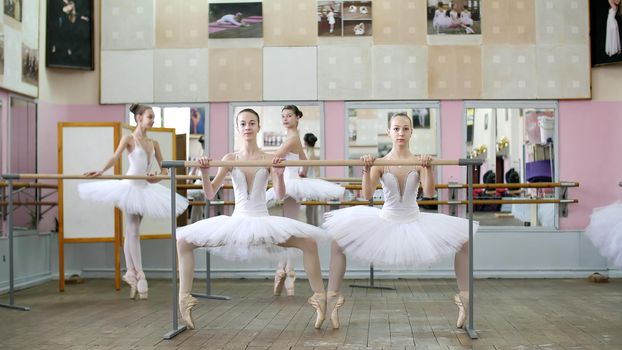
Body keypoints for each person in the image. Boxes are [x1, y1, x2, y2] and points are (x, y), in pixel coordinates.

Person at [322, 113, 478, 329]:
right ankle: (330, 300)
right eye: (396, 129)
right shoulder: (379, 163)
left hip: (413, 219)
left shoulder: (420, 161)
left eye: (405, 128)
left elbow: (431, 193)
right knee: (337, 241)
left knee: (464, 241)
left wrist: (429, 168)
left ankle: (465, 299)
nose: (401, 133)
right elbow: (367, 195)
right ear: (389, 132)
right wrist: (366, 170)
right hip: (386, 219)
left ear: (411, 132)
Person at [176, 108, 327, 330]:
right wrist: (204, 173)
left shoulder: (268, 158)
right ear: (238, 128)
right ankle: (184, 299)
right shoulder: (229, 158)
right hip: (237, 220)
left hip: (262, 220)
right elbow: (210, 194)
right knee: (183, 242)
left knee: (310, 243)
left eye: (252, 123)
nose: (247, 127)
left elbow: (280, 195)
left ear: (258, 127)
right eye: (243, 123)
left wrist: (277, 174)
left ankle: (320, 298)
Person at [79, 104, 189, 300]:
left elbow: (163, 166)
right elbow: (115, 157)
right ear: (139, 118)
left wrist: (159, 176)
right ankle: (140, 274)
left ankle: (131, 273)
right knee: (133, 230)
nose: (153, 120)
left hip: (145, 188)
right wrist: (101, 171)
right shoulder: (129, 139)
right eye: (150, 116)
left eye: (153, 117)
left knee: (131, 232)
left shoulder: (153, 142)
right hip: (130, 187)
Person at [267, 106, 345, 297]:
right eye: (283, 116)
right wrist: (301, 172)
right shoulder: (295, 138)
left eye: (289, 116)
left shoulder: (292, 139)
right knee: (290, 226)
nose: (285, 119)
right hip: (291, 183)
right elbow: (305, 162)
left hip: (290, 185)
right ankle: (285, 269)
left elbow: (275, 158)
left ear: (298, 117)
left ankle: (286, 270)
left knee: (290, 228)